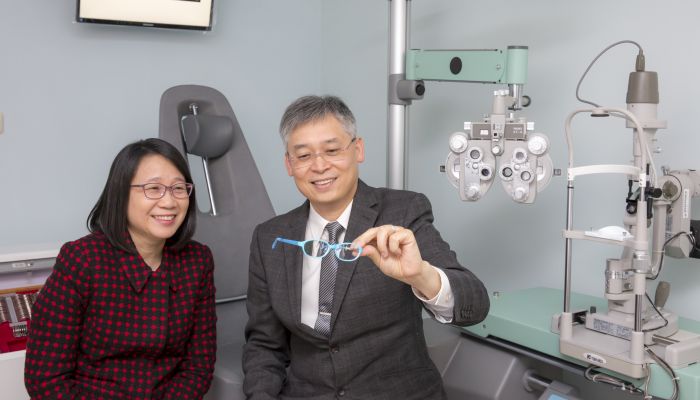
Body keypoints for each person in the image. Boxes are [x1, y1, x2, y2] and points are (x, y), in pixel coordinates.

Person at [242, 95, 490, 399]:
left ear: (357, 149)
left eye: (332, 150)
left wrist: (420, 275)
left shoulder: (403, 212)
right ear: (289, 164)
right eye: (304, 156)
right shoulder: (270, 237)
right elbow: (265, 345)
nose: (319, 166)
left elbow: (475, 305)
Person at [24, 138, 217, 399]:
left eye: (178, 188)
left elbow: (198, 367)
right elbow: (46, 378)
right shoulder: (82, 260)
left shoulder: (198, 261)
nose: (169, 202)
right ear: (121, 193)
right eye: (153, 188)